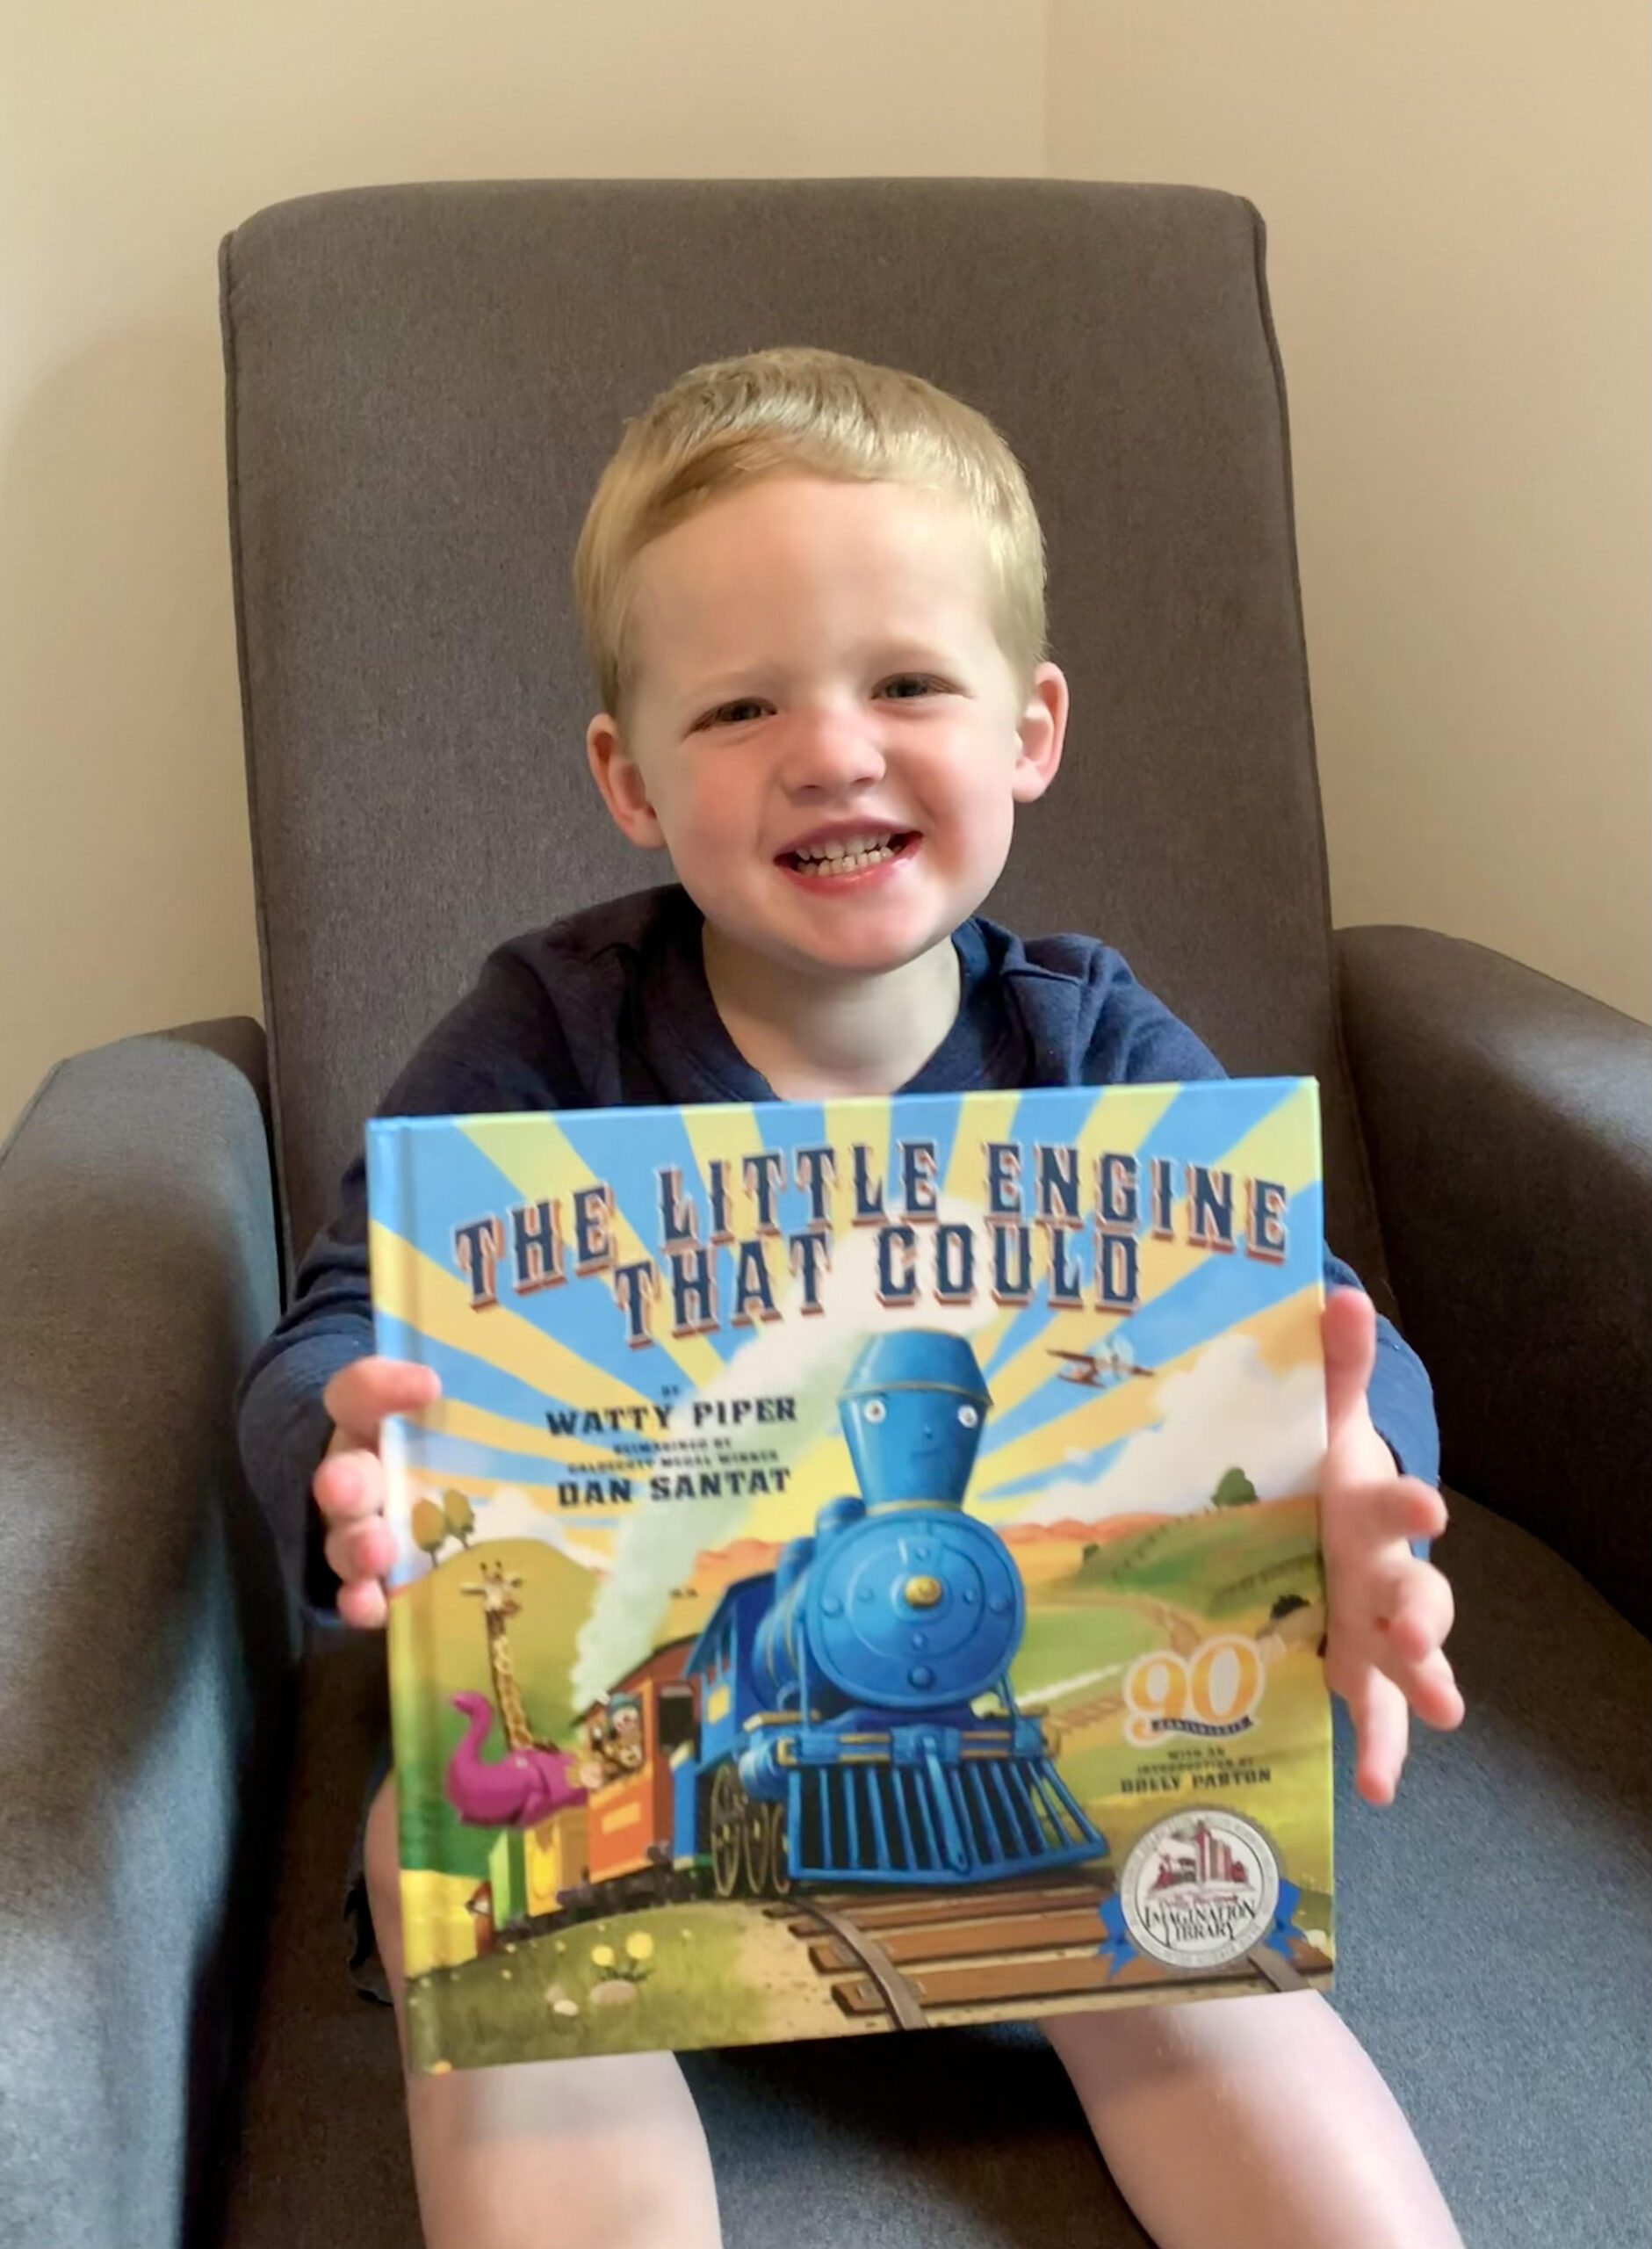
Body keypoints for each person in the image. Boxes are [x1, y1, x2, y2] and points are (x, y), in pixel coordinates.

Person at [236, 347, 1466, 2249]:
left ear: (1029, 726)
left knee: (1205, 1944)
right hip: (646, 1761)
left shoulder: (1090, 1039)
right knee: (452, 1881)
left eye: (905, 680)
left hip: (985, 1745)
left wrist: (1353, 1455)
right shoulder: (543, 1038)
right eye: (738, 704)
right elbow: (336, 1316)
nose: (830, 746)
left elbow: (1309, 1319)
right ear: (625, 778)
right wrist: (345, 1442)